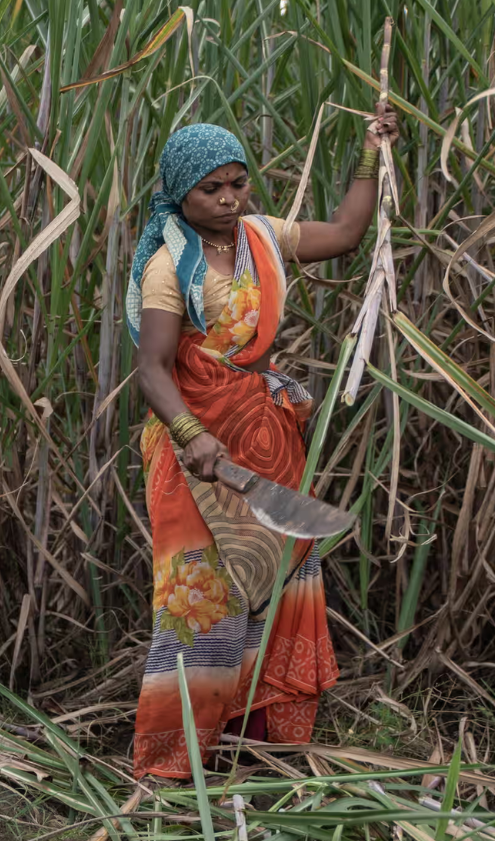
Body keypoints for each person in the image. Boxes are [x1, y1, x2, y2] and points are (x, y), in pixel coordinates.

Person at [127, 103, 398, 778]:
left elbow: (344, 233)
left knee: (271, 591)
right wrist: (193, 435)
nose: (226, 200)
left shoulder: (261, 235)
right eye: (209, 189)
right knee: (201, 602)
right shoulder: (168, 266)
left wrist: (370, 152)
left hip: (267, 444)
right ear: (177, 194)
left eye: (237, 184)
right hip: (197, 457)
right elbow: (152, 369)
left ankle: (254, 742)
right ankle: (173, 764)